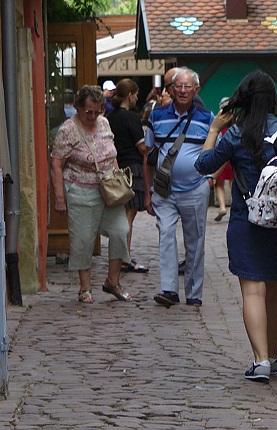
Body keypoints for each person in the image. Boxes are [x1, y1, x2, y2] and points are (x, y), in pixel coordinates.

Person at [195, 70, 277, 383]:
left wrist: (214, 128)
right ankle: (274, 354)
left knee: (252, 292)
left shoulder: (234, 135)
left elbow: (203, 165)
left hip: (245, 217)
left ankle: (260, 360)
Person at [50, 85, 132, 304]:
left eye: (97, 111)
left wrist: (118, 179)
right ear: (78, 107)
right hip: (80, 189)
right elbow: (57, 164)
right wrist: (59, 197)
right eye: (89, 111)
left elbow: (111, 152)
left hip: (109, 189)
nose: (93, 116)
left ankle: (112, 281)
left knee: (120, 231)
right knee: (83, 239)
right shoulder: (68, 130)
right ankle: (84, 287)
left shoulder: (104, 123)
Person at [143, 67, 214, 307]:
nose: (183, 90)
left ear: (196, 89)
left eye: (187, 86)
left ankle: (194, 293)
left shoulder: (207, 118)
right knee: (166, 236)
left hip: (195, 188)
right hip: (164, 189)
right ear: (171, 90)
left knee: (195, 241)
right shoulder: (157, 116)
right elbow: (149, 154)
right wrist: (148, 191)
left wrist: (210, 178)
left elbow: (215, 152)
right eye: (178, 86)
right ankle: (169, 289)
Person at [107, 78, 149, 274]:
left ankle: (121, 256)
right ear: (130, 95)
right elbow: (142, 147)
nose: (137, 98)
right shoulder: (131, 117)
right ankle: (124, 257)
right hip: (132, 168)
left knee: (121, 216)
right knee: (128, 217)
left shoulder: (110, 116)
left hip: (116, 168)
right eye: (136, 94)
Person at [211, 97, 233, 221]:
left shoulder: (218, 121)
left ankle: (222, 207)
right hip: (232, 156)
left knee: (219, 183)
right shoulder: (236, 122)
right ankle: (236, 204)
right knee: (233, 182)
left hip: (221, 155)